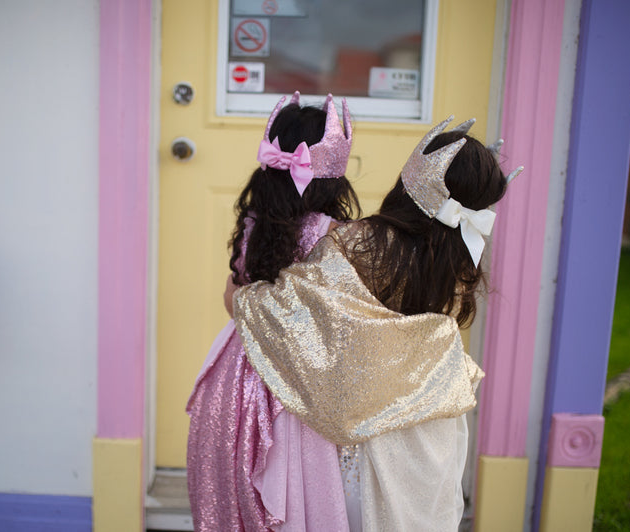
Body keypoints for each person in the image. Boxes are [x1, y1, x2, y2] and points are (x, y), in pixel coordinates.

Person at [228, 116, 523, 531]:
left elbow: (294, 312)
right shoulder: (459, 263)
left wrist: (243, 298)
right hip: (430, 431)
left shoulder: (356, 243)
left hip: (368, 438)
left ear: (408, 181)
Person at [186, 91, 360, 531]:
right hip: (291, 390)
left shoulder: (254, 222)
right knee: (296, 492)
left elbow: (232, 300)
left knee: (234, 492)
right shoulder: (334, 235)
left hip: (231, 381)